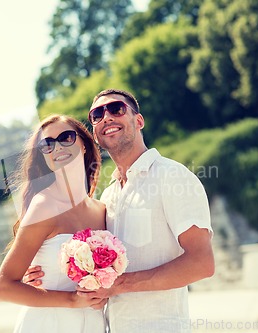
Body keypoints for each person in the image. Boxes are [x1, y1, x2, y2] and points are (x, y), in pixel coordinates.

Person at [24, 89, 215, 333]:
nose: (106, 117)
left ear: (138, 121)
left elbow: (202, 263)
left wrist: (118, 285)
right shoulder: (108, 197)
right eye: (97, 114)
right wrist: (45, 275)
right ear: (94, 133)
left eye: (116, 109)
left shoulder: (173, 177)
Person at [0, 115, 107, 333]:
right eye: (47, 144)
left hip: (93, 324)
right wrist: (73, 300)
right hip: (49, 324)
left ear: (84, 145)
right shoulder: (44, 206)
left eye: (66, 137)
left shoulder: (101, 210)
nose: (58, 147)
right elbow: (3, 287)